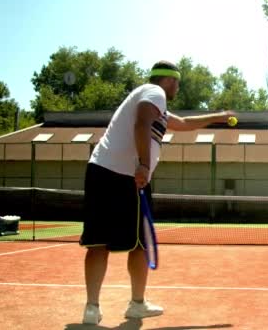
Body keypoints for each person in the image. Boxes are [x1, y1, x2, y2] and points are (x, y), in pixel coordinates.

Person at [79, 60, 234, 325]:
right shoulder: (155, 93)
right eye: (178, 83)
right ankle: (134, 304)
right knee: (132, 244)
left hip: (106, 172)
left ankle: (96, 308)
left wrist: (217, 117)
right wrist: (143, 165)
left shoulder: (153, 101)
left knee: (109, 243)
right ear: (170, 81)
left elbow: (184, 122)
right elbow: (141, 124)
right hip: (126, 176)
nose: (177, 88)